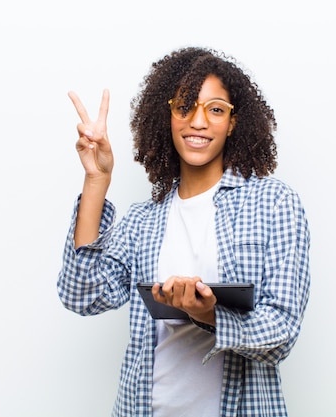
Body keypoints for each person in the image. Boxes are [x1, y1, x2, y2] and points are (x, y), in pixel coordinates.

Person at [57, 46, 311, 417]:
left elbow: (282, 333)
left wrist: (209, 316)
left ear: (233, 122)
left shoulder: (274, 203)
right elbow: (82, 295)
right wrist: (96, 180)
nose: (198, 121)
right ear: (169, 116)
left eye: (216, 109)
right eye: (185, 107)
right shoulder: (144, 219)